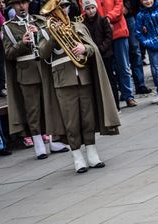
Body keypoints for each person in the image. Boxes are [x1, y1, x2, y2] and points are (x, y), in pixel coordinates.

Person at [39, 0, 120, 173]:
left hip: (83, 77)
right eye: (60, 7)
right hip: (63, 81)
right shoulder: (46, 30)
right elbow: (42, 54)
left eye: (65, 6)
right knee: (71, 121)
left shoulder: (78, 26)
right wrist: (53, 38)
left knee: (87, 118)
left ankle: (92, 153)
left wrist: (84, 48)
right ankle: (77, 156)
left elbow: (93, 48)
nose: (64, 10)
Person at [2, 0, 69, 159]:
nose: (22, 7)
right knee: (33, 110)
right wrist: (22, 43)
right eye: (18, 4)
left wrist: (38, 32)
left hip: (43, 68)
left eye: (24, 3)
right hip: (26, 72)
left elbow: (49, 41)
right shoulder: (8, 27)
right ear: (13, 6)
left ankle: (54, 140)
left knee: (49, 104)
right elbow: (8, 53)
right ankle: (38, 144)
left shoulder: (38, 20)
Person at [78, 0, 138, 108]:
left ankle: (128, 96)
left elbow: (119, 5)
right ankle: (111, 101)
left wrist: (108, 18)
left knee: (123, 66)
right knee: (107, 71)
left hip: (117, 30)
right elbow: (84, 8)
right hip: (100, 35)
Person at [82, 0, 120, 111]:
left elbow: (109, 36)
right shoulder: (83, 24)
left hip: (105, 55)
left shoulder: (103, 20)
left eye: (92, 8)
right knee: (96, 82)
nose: (91, 11)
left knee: (110, 80)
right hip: (92, 57)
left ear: (96, 7)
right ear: (85, 10)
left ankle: (115, 105)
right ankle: (101, 107)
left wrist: (101, 49)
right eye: (88, 9)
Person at [124, 0, 152, 95]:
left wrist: (127, 7)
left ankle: (140, 84)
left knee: (135, 50)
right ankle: (126, 89)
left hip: (130, 14)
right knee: (120, 56)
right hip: (113, 17)